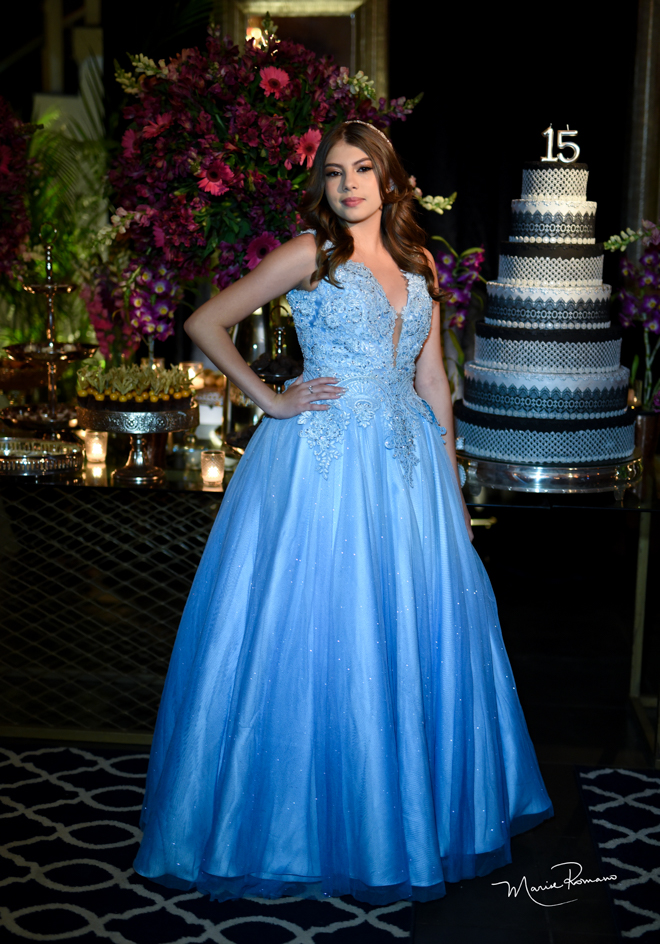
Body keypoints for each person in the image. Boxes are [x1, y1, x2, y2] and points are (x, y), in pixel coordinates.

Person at [133, 120, 554, 905]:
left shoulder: (422, 263)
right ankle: (299, 828)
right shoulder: (310, 253)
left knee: (404, 629)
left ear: (389, 180)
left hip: (407, 472)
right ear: (322, 184)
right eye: (334, 172)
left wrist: (453, 492)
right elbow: (204, 323)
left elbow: (433, 380)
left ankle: (401, 817)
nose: (349, 184)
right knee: (319, 628)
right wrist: (270, 399)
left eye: (363, 169)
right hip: (322, 466)